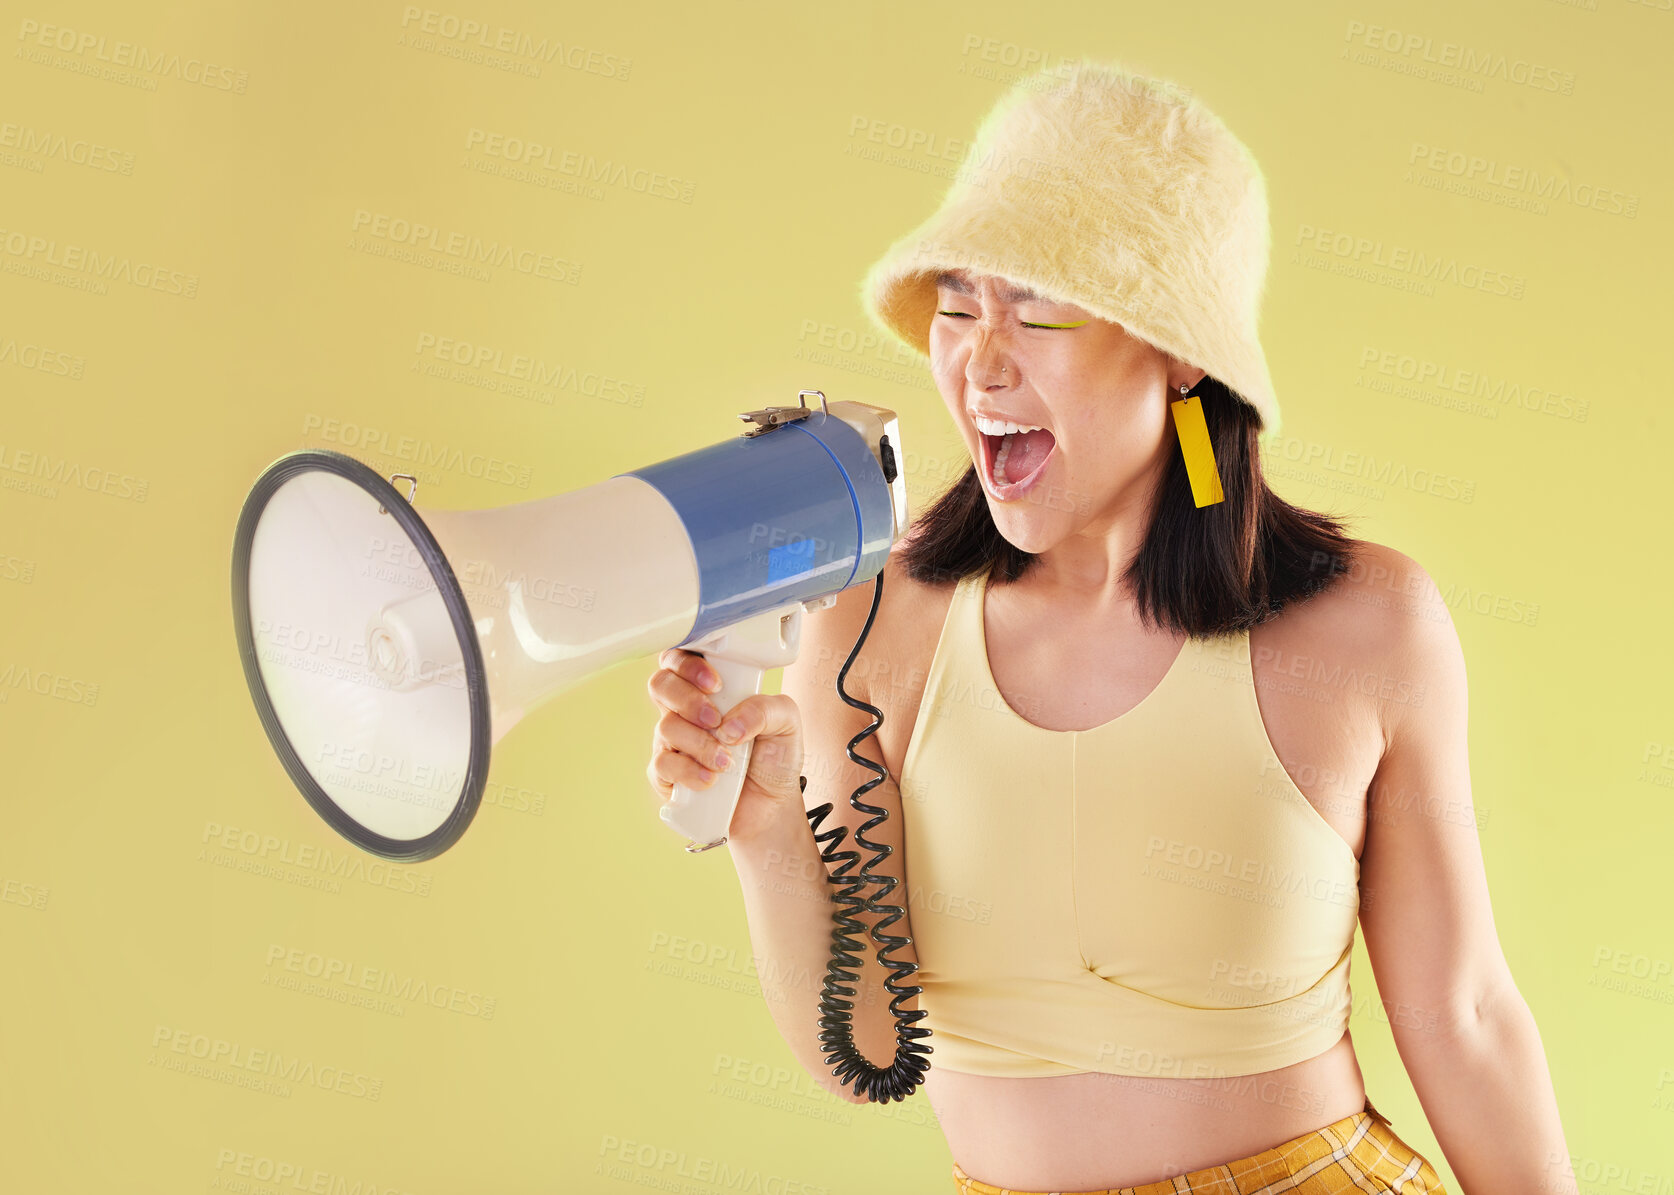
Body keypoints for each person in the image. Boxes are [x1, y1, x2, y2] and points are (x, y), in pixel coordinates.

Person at [646, 60, 1578, 1195]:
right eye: (957, 304)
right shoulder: (867, 618)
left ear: (1183, 354)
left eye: (1038, 308)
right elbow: (872, 1051)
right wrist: (763, 830)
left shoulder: (1366, 628)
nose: (982, 359)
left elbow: (1463, 1012)